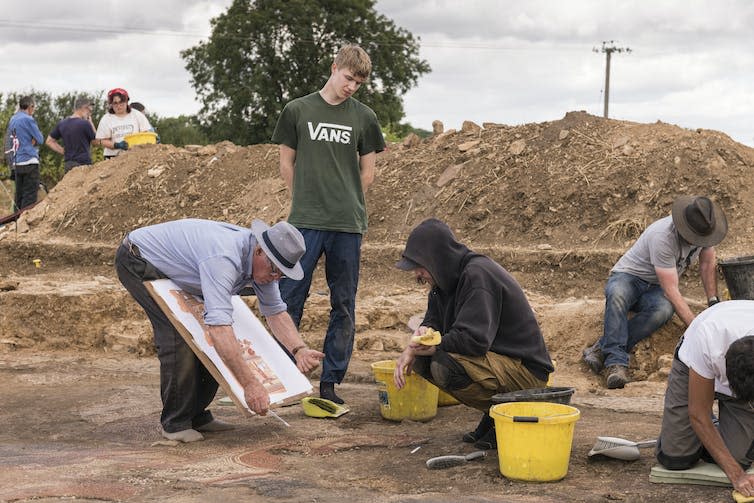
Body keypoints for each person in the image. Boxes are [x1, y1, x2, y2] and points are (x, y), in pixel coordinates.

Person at [115, 218, 324, 443]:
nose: (275, 278)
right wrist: (250, 385)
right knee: (180, 338)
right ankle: (175, 423)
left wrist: (299, 349)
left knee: (212, 337)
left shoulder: (266, 264)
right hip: (140, 259)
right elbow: (220, 329)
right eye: (274, 271)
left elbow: (275, 312)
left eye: (281, 275)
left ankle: (197, 416)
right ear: (260, 251)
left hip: (187, 269)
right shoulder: (223, 259)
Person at [271, 44, 386, 404]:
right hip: (304, 222)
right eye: (349, 78)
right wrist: (304, 199)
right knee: (288, 298)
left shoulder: (364, 116)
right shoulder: (298, 110)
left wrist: (347, 199)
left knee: (344, 304)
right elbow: (286, 163)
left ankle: (330, 383)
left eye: (359, 82)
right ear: (334, 68)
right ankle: (281, 374)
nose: (352, 86)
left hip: (348, 224)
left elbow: (368, 171)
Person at [392, 218, 554, 449]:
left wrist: (435, 345)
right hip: (498, 363)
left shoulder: (477, 275)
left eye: (419, 265)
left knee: (445, 366)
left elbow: (474, 340)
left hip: (526, 372)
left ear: (435, 258)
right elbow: (433, 321)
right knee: (424, 360)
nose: (416, 274)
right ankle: (494, 414)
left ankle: (504, 414)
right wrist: (415, 344)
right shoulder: (443, 282)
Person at [583, 195, 727, 389]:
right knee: (617, 294)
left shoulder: (705, 229)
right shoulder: (663, 236)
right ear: (685, 227)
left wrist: (713, 303)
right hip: (629, 276)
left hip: (655, 286)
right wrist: (697, 327)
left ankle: (601, 348)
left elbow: (708, 263)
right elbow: (671, 290)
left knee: (663, 311)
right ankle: (615, 364)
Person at [656, 300, 754, 498]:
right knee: (676, 458)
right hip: (693, 367)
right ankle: (679, 432)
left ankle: (715, 432)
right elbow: (699, 414)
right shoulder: (707, 338)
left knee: (738, 457)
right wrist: (736, 475)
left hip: (743, 373)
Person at [6, 96, 44, 211]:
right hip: (30, 161)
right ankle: (25, 225)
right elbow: (40, 139)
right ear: (30, 107)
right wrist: (32, 139)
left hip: (17, 162)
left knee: (19, 196)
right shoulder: (28, 119)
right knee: (29, 198)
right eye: (34, 108)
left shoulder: (13, 119)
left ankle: (15, 222)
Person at [95, 88, 152, 159]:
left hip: (135, 155)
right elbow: (101, 140)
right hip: (113, 156)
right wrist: (116, 145)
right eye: (115, 103)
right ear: (111, 104)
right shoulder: (106, 119)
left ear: (126, 101)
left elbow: (145, 132)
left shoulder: (137, 115)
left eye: (121, 102)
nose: (119, 106)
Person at [45, 97, 97, 173]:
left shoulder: (62, 123)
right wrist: (91, 123)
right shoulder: (85, 124)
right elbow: (96, 142)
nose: (90, 113)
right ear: (84, 108)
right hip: (83, 165)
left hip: (68, 164)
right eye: (89, 110)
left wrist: (63, 151)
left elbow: (49, 141)